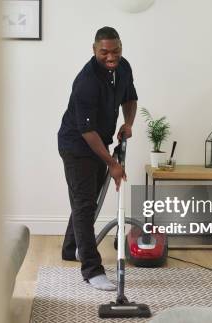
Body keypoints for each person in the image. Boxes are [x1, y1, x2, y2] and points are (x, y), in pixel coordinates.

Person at [57, 26, 138, 291]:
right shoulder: (86, 81)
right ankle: (92, 269)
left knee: (87, 201)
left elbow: (130, 97)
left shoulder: (123, 67)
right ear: (94, 50)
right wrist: (113, 164)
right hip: (77, 145)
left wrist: (128, 123)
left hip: (98, 142)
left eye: (115, 50)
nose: (111, 56)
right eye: (104, 51)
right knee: (84, 204)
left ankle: (71, 249)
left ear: (121, 48)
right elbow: (87, 131)